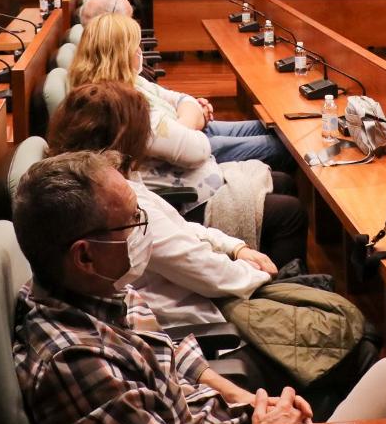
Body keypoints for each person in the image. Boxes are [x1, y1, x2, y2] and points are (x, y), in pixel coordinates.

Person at [12, 151, 386, 424]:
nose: (144, 230)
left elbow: (168, 353)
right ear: (85, 256)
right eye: (132, 222)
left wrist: (250, 403)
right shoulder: (77, 362)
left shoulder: (97, 291)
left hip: (223, 414)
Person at [69, 14, 304, 265]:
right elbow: (197, 149)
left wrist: (183, 124)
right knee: (292, 210)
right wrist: (191, 123)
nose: (140, 52)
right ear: (120, 55)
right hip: (184, 196)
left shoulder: (128, 84)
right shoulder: (118, 106)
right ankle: (281, 279)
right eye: (135, 47)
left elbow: (181, 100)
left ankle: (264, 261)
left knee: (283, 180)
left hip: (194, 173)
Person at [47, 82, 272, 327]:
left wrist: (234, 247)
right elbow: (200, 267)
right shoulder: (117, 202)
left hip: (198, 291)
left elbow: (176, 230)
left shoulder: (96, 180)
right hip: (198, 321)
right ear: (128, 139)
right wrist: (260, 276)